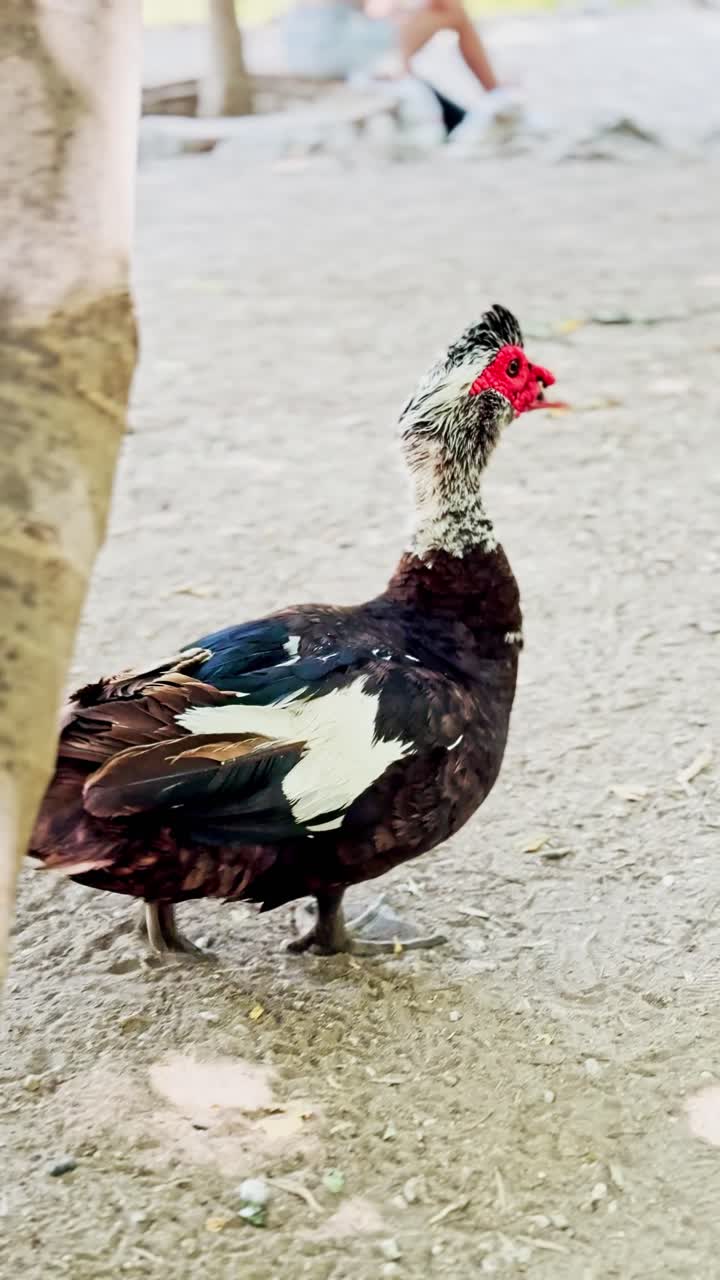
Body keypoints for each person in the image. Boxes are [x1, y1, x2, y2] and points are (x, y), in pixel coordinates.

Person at [283, 0, 518, 140]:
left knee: (432, 11)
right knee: (450, 9)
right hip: (329, 48)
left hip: (298, 45)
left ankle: (489, 99)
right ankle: (496, 96)